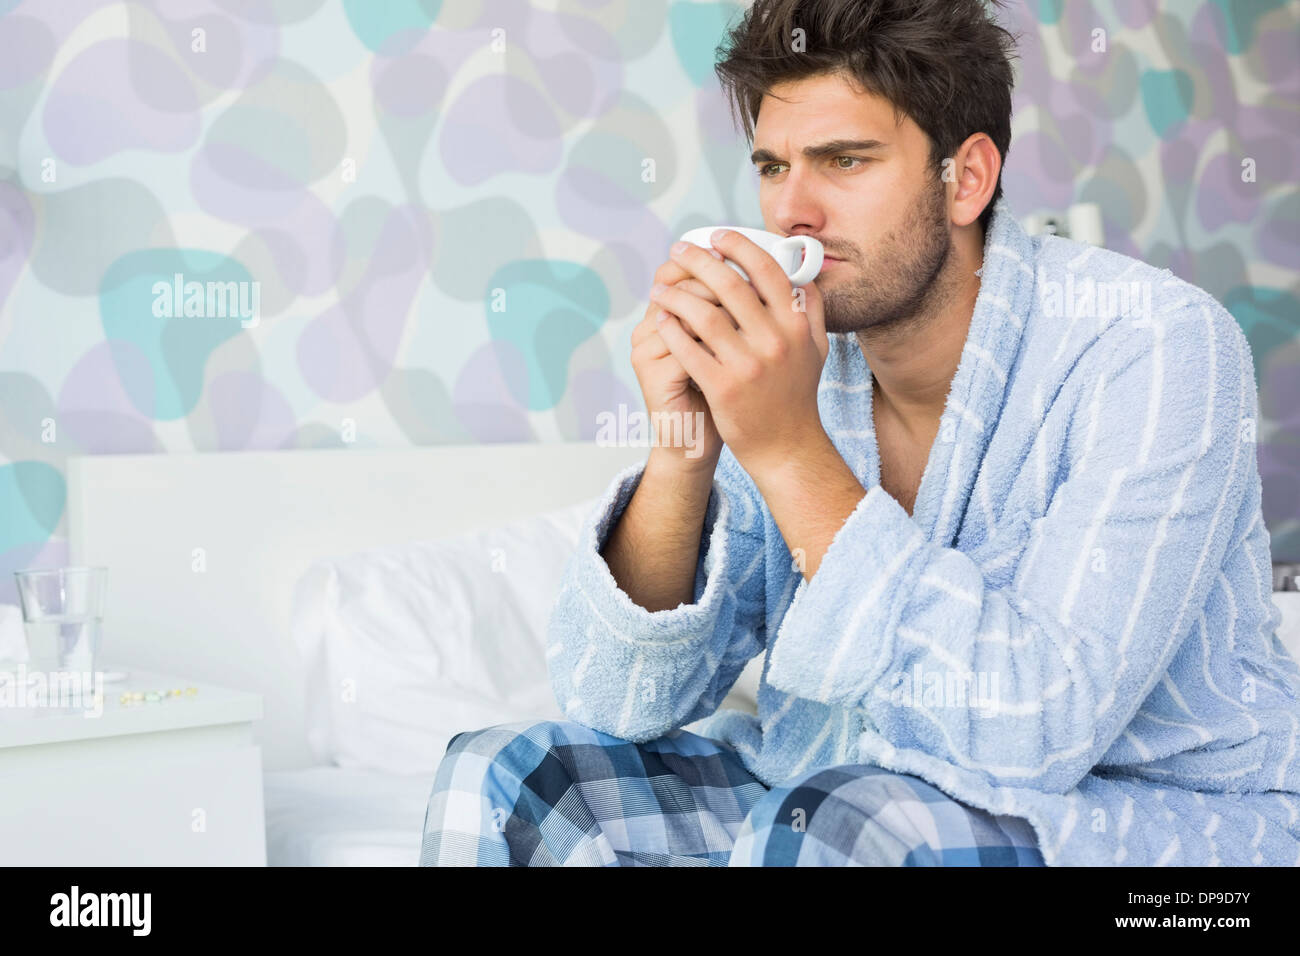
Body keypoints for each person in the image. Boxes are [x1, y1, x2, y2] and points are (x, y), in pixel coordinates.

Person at [420, 0, 1300, 866]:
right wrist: (686, 442)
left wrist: (788, 450)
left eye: (843, 160)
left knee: (835, 823)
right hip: (832, 785)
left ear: (967, 178)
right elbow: (617, 700)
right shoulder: (801, 361)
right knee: (507, 779)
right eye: (772, 167)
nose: (792, 211)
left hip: (1140, 823)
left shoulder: (1153, 344)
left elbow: (1039, 728)